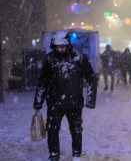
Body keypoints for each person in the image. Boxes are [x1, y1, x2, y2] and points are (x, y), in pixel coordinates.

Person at [33, 31, 97, 161]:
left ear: (68, 45)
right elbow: (43, 81)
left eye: (62, 46)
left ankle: (76, 156)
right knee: (52, 130)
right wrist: (38, 101)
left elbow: (91, 78)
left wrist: (90, 100)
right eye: (57, 46)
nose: (60, 49)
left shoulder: (79, 58)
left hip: (74, 102)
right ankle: (54, 155)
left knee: (76, 130)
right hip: (54, 102)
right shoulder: (49, 59)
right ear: (54, 46)